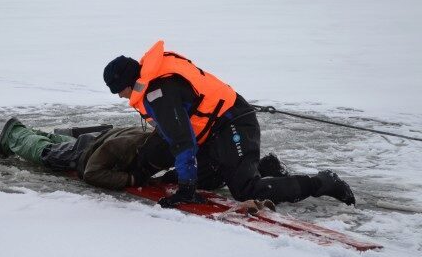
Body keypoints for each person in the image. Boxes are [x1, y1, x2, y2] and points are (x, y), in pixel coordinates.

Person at [103, 40, 355, 208]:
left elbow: (182, 143)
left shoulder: (159, 92)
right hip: (216, 132)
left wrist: (187, 190)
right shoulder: (153, 80)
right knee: (199, 178)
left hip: (233, 123)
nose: (120, 96)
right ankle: (267, 166)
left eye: (118, 91)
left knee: (245, 190)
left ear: (127, 82)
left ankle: (323, 182)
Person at [0, 118, 171, 190]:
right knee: (47, 153)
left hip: (94, 142)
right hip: (84, 154)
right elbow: (91, 173)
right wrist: (130, 179)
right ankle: (15, 133)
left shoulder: (160, 142)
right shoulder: (123, 146)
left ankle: (30, 131)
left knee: (63, 144)